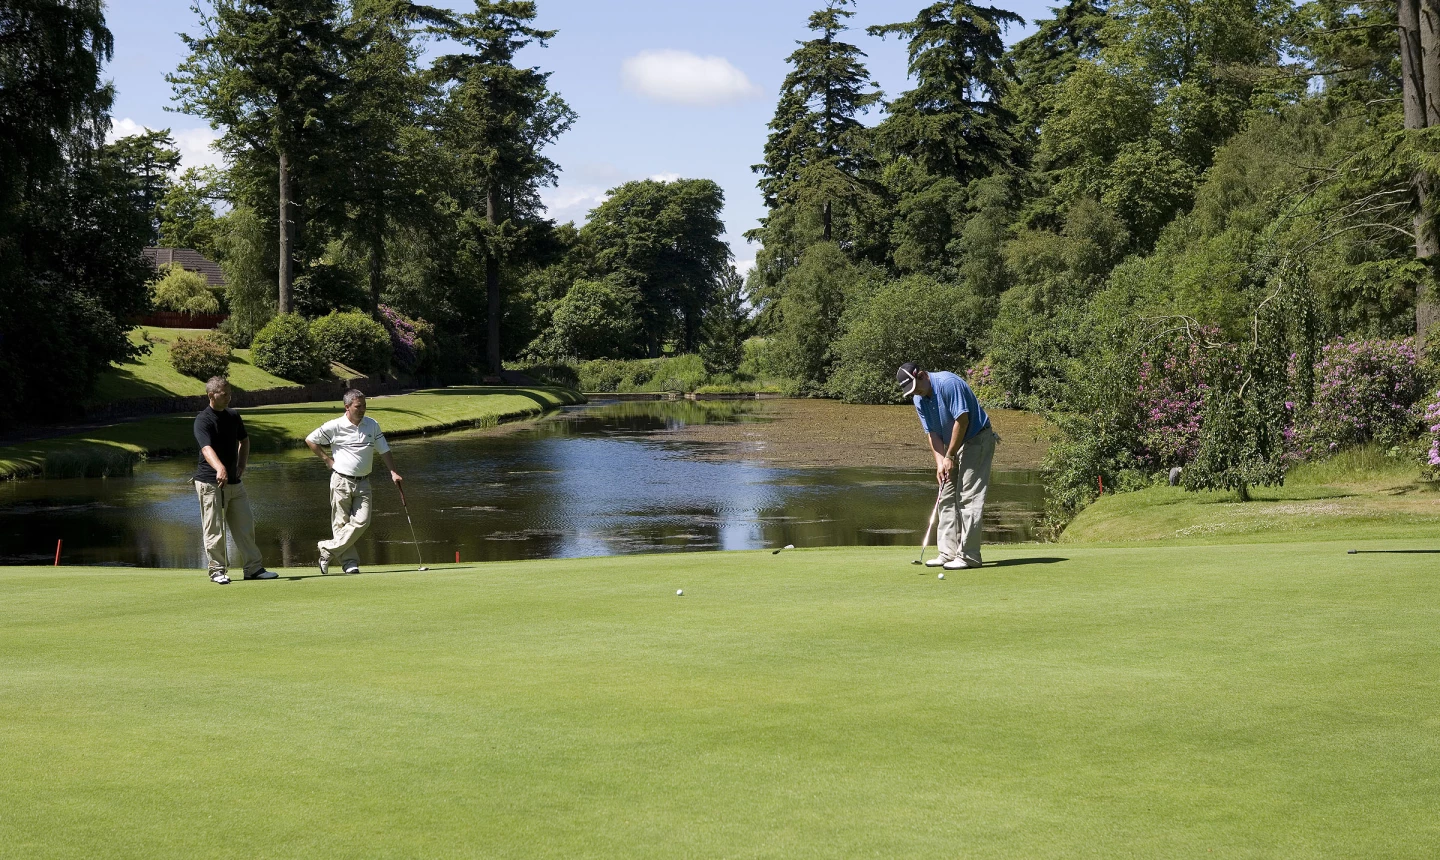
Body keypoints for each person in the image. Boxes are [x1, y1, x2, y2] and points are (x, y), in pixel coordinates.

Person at [897, 362, 998, 571]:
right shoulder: (919, 398)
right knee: (945, 494)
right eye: (912, 391)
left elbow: (962, 420)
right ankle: (947, 553)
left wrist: (950, 455)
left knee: (968, 496)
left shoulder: (948, 383)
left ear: (923, 375)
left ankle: (969, 556)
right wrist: (940, 462)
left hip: (976, 438)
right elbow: (932, 433)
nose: (916, 393)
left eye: (917, 387)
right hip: (951, 444)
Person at [305, 389, 403, 575]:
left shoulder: (372, 425)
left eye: (364, 405)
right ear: (347, 407)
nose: (363, 409)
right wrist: (327, 460)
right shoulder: (335, 426)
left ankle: (327, 549)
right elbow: (310, 440)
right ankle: (349, 563)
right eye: (359, 406)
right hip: (341, 480)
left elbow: (384, 450)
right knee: (340, 523)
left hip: (364, 482)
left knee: (363, 520)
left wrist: (393, 472)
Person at [193, 376, 275, 584]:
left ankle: (253, 569)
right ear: (211, 395)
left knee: (245, 526)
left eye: (230, 393)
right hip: (210, 483)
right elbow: (206, 448)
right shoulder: (203, 420)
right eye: (224, 394)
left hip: (234, 483)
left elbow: (244, 440)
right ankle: (217, 571)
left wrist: (241, 466)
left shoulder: (233, 415)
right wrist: (220, 467)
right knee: (214, 529)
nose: (229, 397)